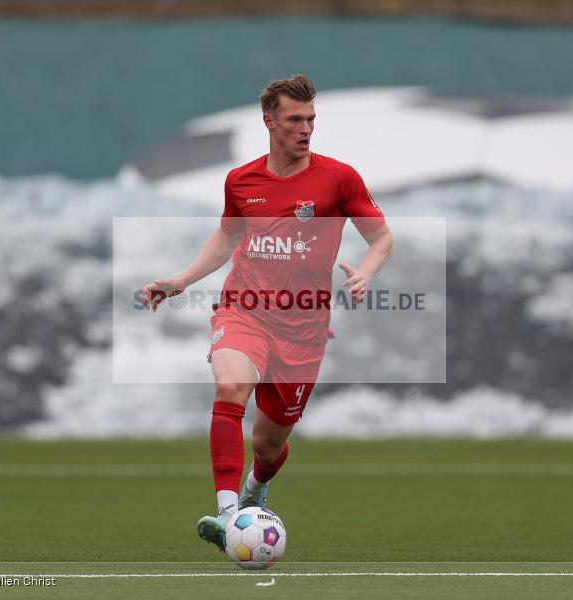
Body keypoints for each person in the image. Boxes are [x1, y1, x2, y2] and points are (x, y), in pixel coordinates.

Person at [142, 74, 393, 552]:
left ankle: (256, 490)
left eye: (311, 119)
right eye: (295, 119)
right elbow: (227, 237)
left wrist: (365, 271)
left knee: (269, 445)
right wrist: (182, 280)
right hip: (245, 309)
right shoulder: (241, 180)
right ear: (269, 121)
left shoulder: (339, 178)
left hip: (304, 329)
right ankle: (229, 515)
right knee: (231, 386)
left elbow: (382, 238)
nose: (306, 129)